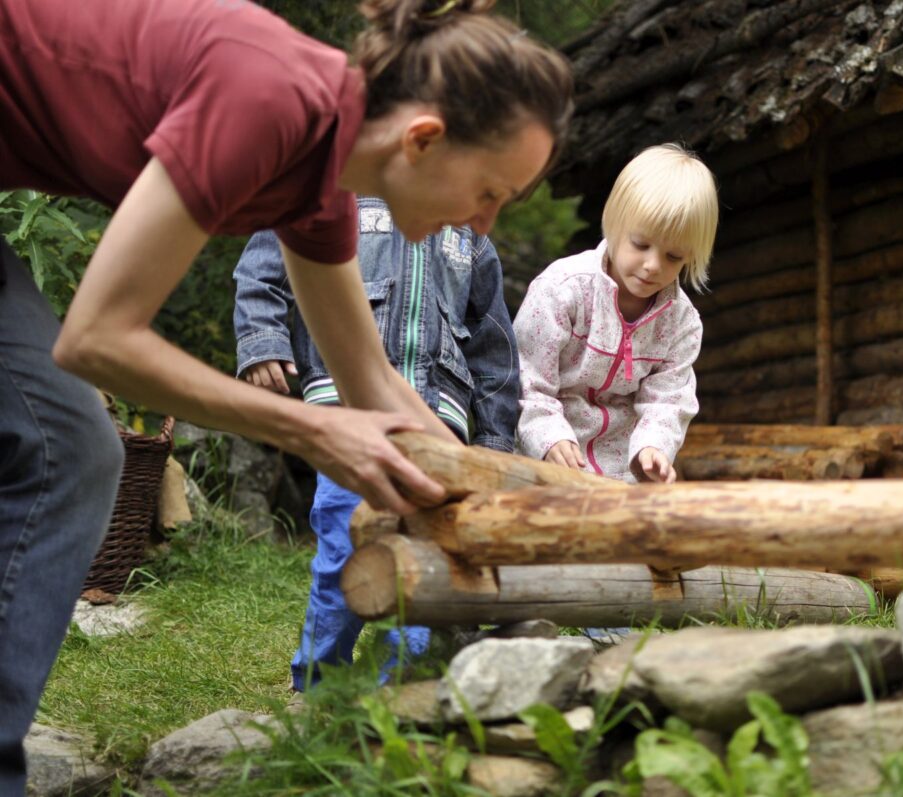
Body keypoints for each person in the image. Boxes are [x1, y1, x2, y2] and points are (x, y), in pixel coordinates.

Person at [0, 0, 571, 790]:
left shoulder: (318, 178)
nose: (484, 223)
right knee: (62, 444)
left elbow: (370, 379)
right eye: (490, 191)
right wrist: (314, 430)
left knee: (65, 447)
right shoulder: (269, 100)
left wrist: (488, 486)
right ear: (423, 139)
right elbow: (96, 336)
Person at [233, 197, 519, 691]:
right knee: (347, 543)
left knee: (424, 557)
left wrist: (495, 437)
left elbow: (494, 342)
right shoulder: (331, 197)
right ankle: (320, 684)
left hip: (438, 420)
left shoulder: (468, 233)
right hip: (347, 405)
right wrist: (263, 340)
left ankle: (400, 687)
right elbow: (262, 267)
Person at [513, 144, 718, 485]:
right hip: (548, 467)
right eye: (640, 245)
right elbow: (526, 381)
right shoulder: (562, 290)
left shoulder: (681, 323)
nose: (653, 265)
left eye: (673, 256)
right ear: (615, 225)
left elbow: (667, 401)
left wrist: (653, 449)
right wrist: (549, 438)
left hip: (622, 478)